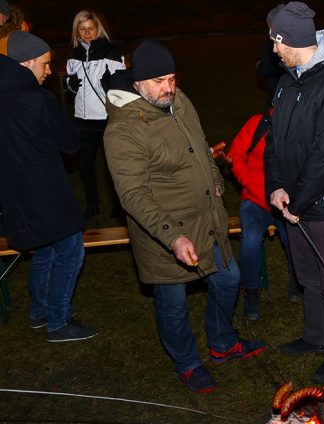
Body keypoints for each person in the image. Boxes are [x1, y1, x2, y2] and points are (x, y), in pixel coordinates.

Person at [103, 41, 265, 393]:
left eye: (172, 78)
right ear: (138, 83)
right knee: (173, 304)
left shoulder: (179, 101)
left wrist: (216, 179)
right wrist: (173, 237)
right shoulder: (123, 130)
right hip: (164, 236)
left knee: (227, 280)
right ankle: (187, 364)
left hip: (208, 223)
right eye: (159, 81)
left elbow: (199, 146)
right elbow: (132, 194)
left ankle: (223, 344)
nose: (169, 88)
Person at [264, 2, 324, 384]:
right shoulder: (291, 79)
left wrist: (298, 202)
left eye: (276, 41)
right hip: (294, 201)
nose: (273, 50)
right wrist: (276, 186)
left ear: (290, 38)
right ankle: (315, 336)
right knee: (308, 274)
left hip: (323, 203)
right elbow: (274, 138)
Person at [0, 31, 99, 342]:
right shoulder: (37, 98)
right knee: (71, 250)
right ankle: (58, 320)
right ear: (28, 62)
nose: (47, 71)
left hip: (14, 193)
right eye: (44, 64)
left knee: (43, 250)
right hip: (45, 191)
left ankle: (39, 311)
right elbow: (69, 143)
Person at [227, 109, 302, 321]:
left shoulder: (300, 123)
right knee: (250, 239)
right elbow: (235, 155)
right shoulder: (258, 123)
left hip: (288, 202)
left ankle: (297, 278)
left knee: (294, 239)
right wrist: (249, 182)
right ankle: (251, 289)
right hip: (255, 199)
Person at [65, 9, 126, 221]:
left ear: (97, 28)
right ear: (77, 32)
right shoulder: (74, 57)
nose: (87, 33)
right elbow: (73, 86)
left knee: (113, 165)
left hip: (108, 117)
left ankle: (119, 205)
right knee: (86, 164)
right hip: (83, 120)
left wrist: (112, 84)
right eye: (82, 29)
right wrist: (70, 85)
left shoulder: (112, 52)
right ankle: (92, 205)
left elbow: (123, 85)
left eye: (91, 28)